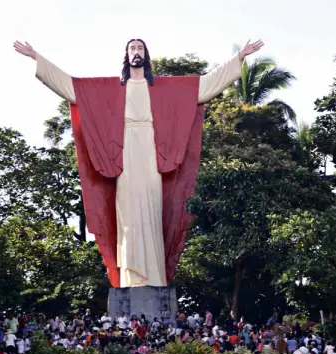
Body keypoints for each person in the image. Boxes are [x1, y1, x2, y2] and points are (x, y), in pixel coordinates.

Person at [14, 39, 263, 288]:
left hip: (151, 152)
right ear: (126, 55)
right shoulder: (110, 89)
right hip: (125, 154)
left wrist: (239, 57)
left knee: (152, 210)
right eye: (132, 48)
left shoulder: (164, 88)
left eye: (140, 48)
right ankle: (130, 277)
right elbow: (72, 87)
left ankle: (154, 276)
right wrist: (37, 57)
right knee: (128, 213)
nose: (136, 52)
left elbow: (205, 85)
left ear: (146, 55)